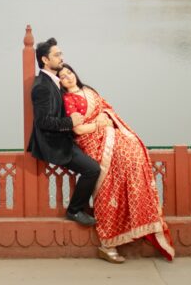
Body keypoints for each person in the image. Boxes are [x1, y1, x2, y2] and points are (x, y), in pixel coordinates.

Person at [58, 63, 175, 263]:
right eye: (62, 76)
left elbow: (107, 110)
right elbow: (77, 130)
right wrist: (97, 124)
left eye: (69, 72)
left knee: (135, 154)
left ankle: (139, 211)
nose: (68, 77)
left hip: (109, 134)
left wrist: (105, 117)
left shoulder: (89, 91)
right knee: (110, 179)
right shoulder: (68, 100)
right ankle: (109, 241)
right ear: (60, 82)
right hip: (93, 140)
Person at [26, 38, 100, 227]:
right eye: (57, 55)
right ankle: (74, 211)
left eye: (61, 54)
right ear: (45, 60)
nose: (61, 58)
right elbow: (42, 122)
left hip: (66, 137)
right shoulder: (42, 86)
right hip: (55, 144)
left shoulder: (53, 81)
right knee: (92, 169)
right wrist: (71, 121)